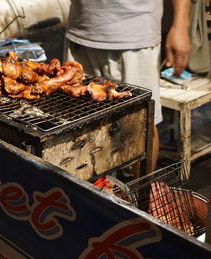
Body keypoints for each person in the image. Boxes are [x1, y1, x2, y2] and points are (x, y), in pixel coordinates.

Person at [63, 0, 192, 175]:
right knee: (79, 123)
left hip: (133, 37)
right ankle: (96, 191)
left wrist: (181, 27)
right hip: (81, 31)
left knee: (143, 125)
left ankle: (139, 198)